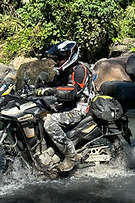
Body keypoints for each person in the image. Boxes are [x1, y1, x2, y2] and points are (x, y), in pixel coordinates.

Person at [36, 40, 94, 172]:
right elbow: (53, 85)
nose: (58, 62)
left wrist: (50, 91)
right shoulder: (64, 71)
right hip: (65, 106)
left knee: (50, 123)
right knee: (37, 114)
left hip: (79, 109)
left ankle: (71, 156)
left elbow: (72, 92)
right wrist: (39, 86)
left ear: (70, 56)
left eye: (60, 58)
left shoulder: (80, 70)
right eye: (57, 59)